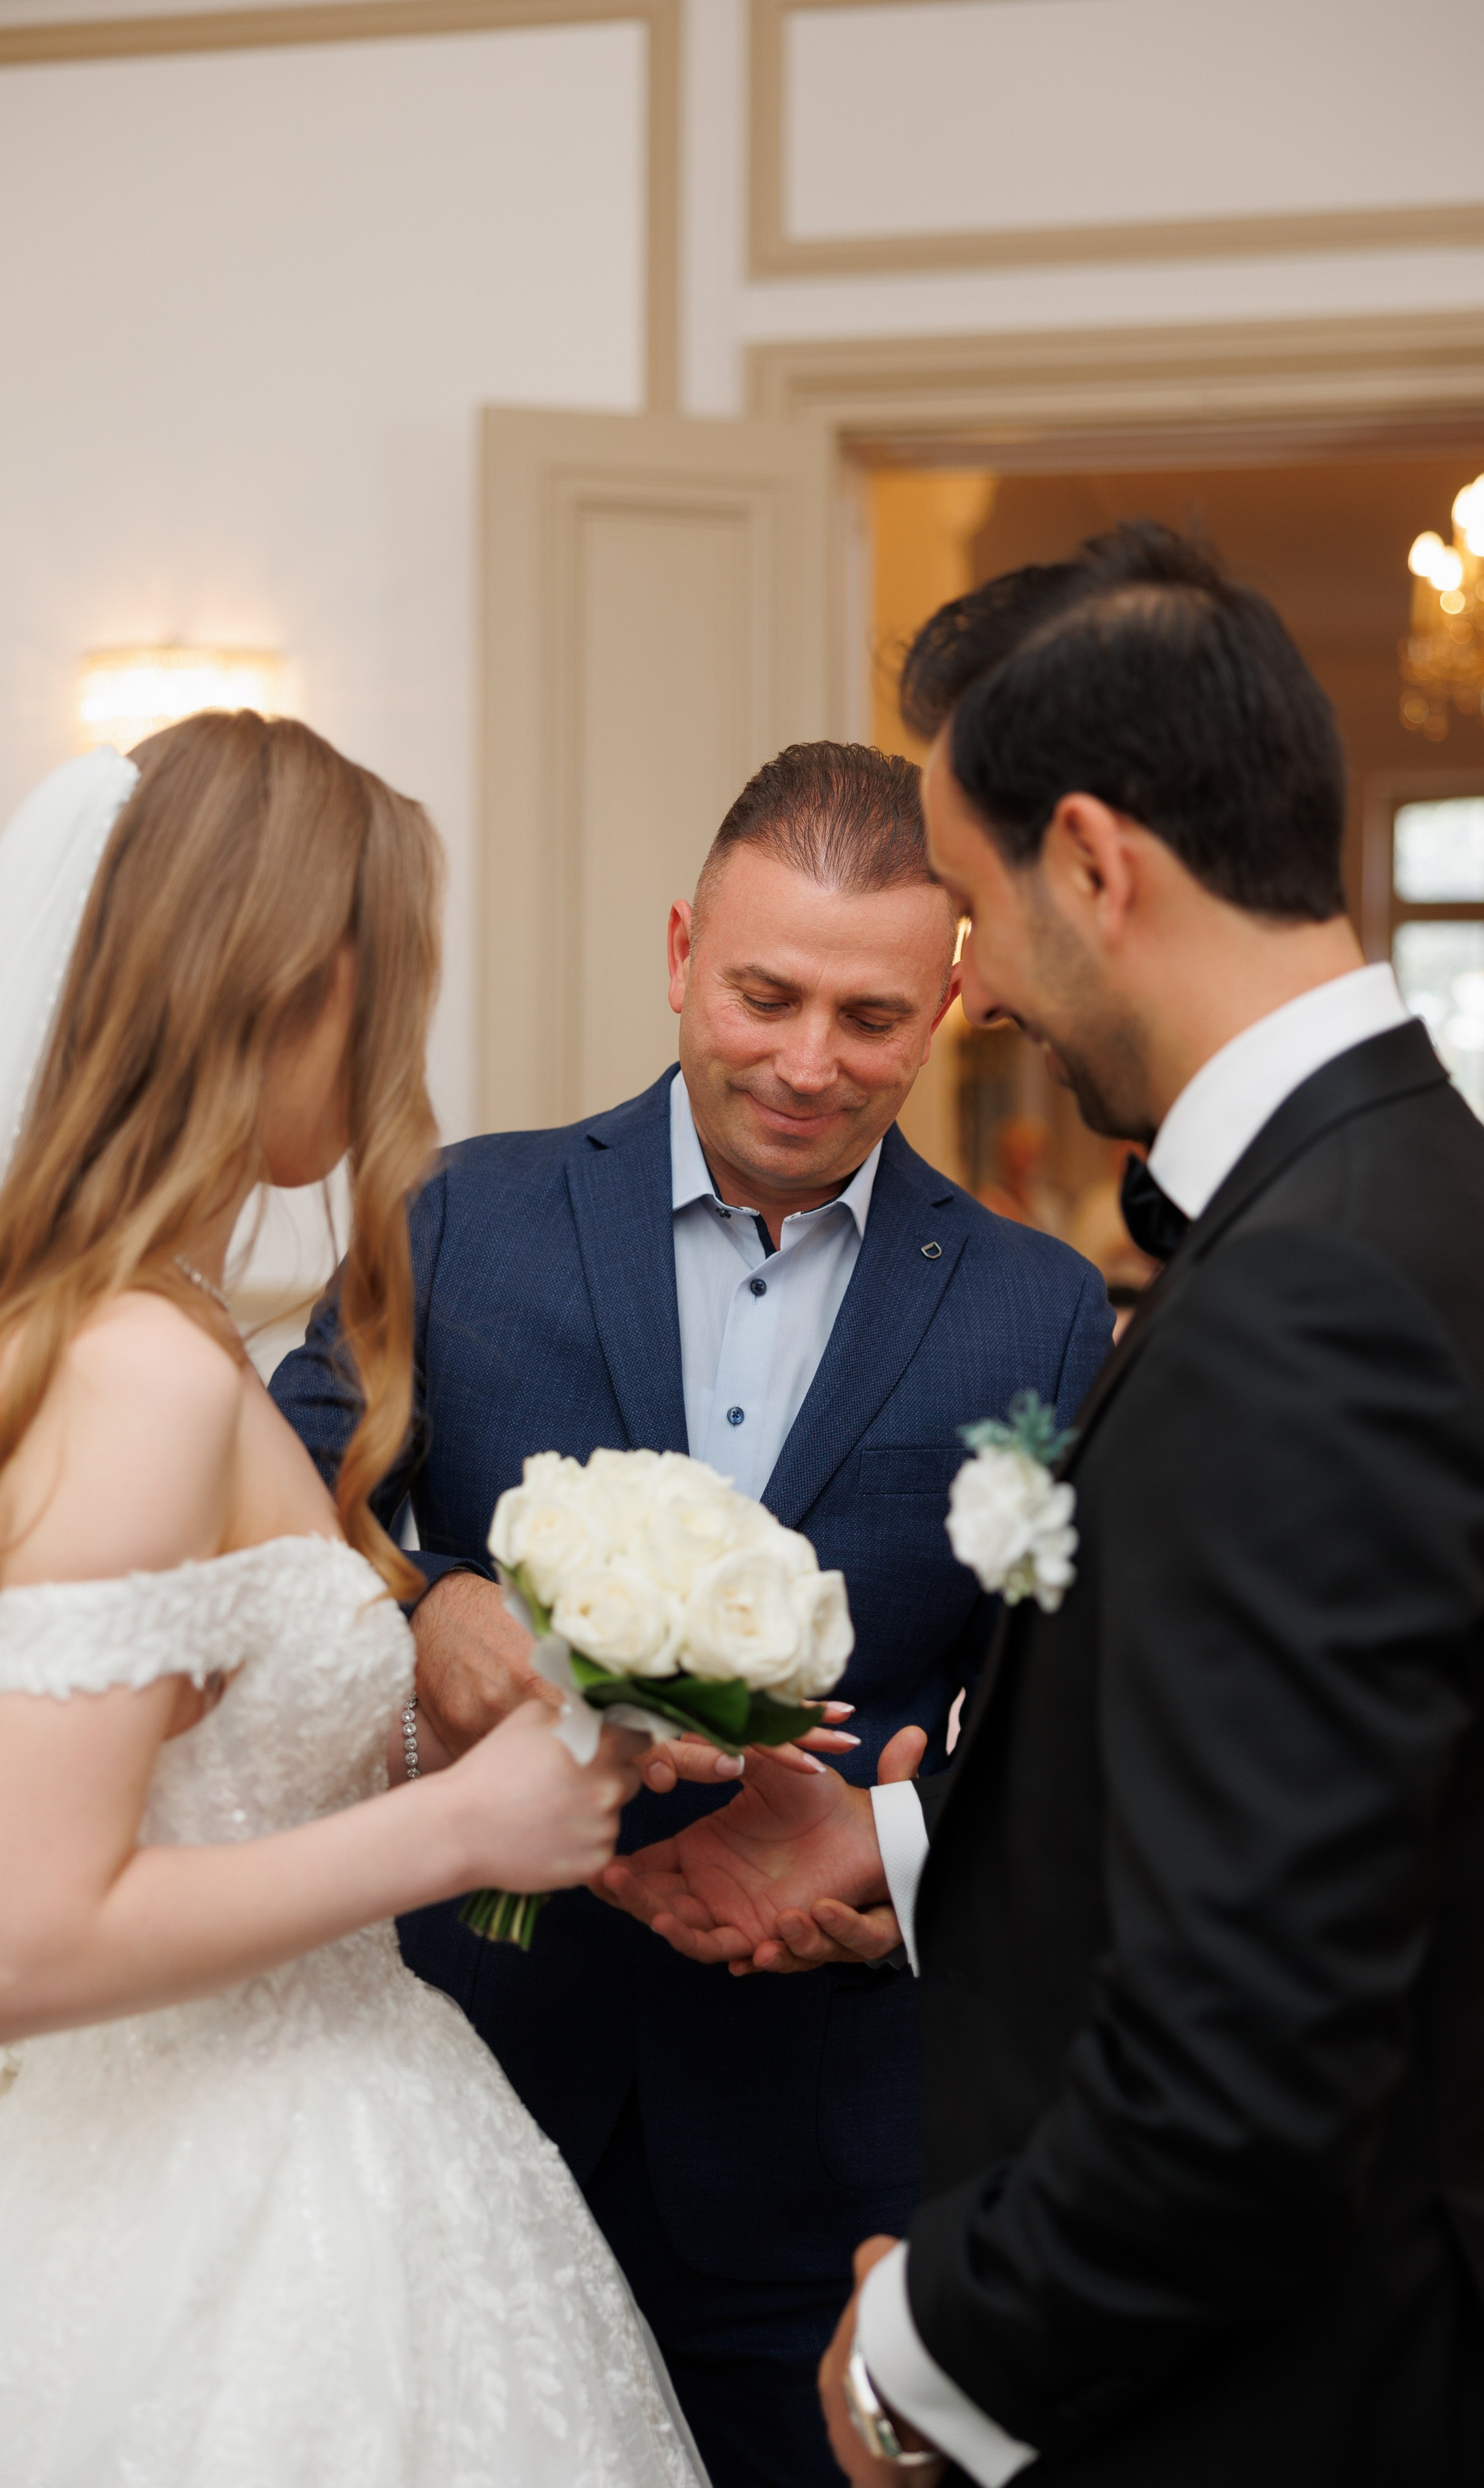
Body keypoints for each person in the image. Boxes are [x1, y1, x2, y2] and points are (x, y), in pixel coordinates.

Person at [610, 532, 1484, 2483]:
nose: (974, 1001)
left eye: (971, 912)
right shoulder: (1413, 1191)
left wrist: (920, 2353)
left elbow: (1245, 2078)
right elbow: (1288, 1806)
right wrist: (895, 1840)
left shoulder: (1320, 1293)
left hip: (1318, 2398)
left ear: (1095, 862)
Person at [269, 739, 1114, 2488]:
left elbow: (1068, 1710)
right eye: (764, 993)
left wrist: (892, 1854)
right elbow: (278, 1480)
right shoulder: (465, 1214)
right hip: (476, 2081)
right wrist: (426, 1603)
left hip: (824, 2139)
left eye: (871, 1016)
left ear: (951, 1000)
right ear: (678, 953)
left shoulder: (1039, 1313)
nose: (810, 1062)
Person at [0, 717, 707, 2488]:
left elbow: (205, 1755)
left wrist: (466, 1730)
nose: (403, 1046)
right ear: (295, 981)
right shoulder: (142, 1369)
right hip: (206, 2217)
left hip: (330, 2137)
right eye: (396, 985)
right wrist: (463, 1831)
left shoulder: (181, 1328)